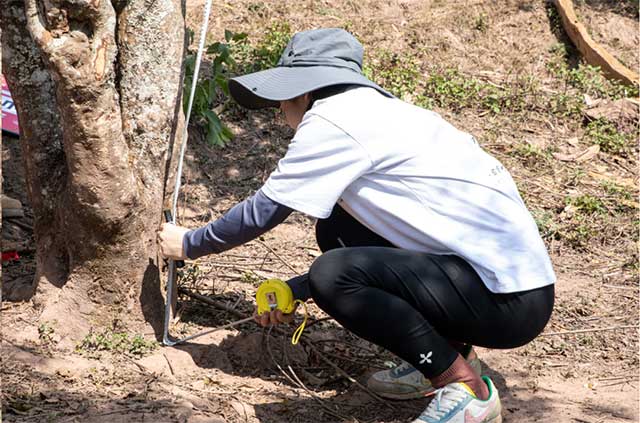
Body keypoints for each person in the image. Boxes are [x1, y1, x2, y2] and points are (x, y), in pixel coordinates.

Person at [158, 28, 555, 423]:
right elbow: (397, 246)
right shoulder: (381, 112)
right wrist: (294, 290)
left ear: (303, 91)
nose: (281, 114)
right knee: (336, 228)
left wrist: (191, 243)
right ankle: (451, 353)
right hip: (513, 290)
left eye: (282, 101)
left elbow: (267, 209)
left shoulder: (334, 122)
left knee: (332, 273)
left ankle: (464, 388)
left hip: (504, 302)